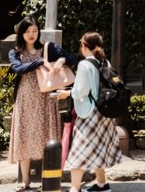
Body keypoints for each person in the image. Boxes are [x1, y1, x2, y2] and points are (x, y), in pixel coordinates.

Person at [8, 17, 76, 192]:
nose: (31, 35)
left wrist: (60, 62)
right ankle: (25, 180)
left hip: (45, 98)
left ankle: (49, 178)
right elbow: (18, 69)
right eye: (27, 31)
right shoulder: (15, 52)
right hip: (24, 99)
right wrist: (39, 62)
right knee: (23, 136)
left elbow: (71, 58)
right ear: (21, 33)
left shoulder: (48, 47)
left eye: (35, 31)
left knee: (48, 137)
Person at [57, 32, 123, 192]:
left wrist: (67, 93)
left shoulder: (84, 65)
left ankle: (74, 188)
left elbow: (80, 91)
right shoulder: (105, 61)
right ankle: (102, 184)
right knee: (99, 148)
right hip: (105, 112)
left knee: (79, 151)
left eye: (81, 44)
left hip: (90, 113)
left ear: (85, 46)